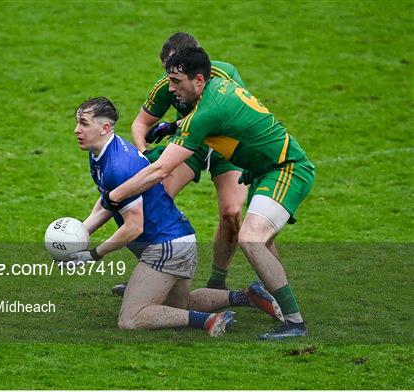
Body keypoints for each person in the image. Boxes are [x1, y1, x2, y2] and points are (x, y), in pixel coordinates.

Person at [104, 48, 316, 340]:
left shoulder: (206, 110)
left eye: (177, 81)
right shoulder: (215, 88)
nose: (171, 88)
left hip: (286, 169)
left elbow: (160, 170)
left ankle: (295, 322)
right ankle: (270, 298)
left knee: (251, 238)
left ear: (199, 80)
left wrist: (114, 196)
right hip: (263, 170)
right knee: (261, 243)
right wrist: (172, 126)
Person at [68, 96, 238, 337]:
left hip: (166, 246)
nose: (77, 130)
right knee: (180, 305)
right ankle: (249, 296)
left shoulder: (118, 165)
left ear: (105, 128)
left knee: (131, 318)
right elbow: (109, 202)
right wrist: (79, 236)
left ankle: (210, 320)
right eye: (77, 123)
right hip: (176, 239)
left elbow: (133, 227)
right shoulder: (101, 152)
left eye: (83, 123)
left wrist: (94, 254)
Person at [131, 32, 248, 290]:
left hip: (227, 147)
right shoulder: (167, 85)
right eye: (167, 71)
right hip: (189, 146)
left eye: (176, 73)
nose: (170, 80)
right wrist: (143, 152)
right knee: (155, 201)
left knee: (232, 213)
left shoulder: (224, 76)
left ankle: (217, 283)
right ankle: (153, 274)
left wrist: (171, 126)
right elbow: (140, 123)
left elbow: (219, 115)